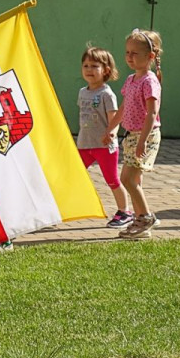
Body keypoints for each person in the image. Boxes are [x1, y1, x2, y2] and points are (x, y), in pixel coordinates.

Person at [115, 29, 164, 239]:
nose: (129, 57)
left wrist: (143, 140)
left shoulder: (149, 81)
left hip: (146, 135)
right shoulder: (131, 79)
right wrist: (111, 128)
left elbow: (152, 113)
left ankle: (145, 217)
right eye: (127, 52)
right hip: (131, 134)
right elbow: (124, 106)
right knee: (133, 179)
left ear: (150, 57)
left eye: (135, 53)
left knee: (127, 178)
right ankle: (140, 220)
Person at [76, 46, 131, 228]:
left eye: (94, 66)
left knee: (112, 180)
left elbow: (114, 118)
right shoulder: (82, 92)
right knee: (73, 174)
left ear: (106, 70)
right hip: (84, 144)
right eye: (86, 65)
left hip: (104, 146)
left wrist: (112, 133)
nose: (89, 70)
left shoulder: (106, 94)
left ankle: (125, 211)